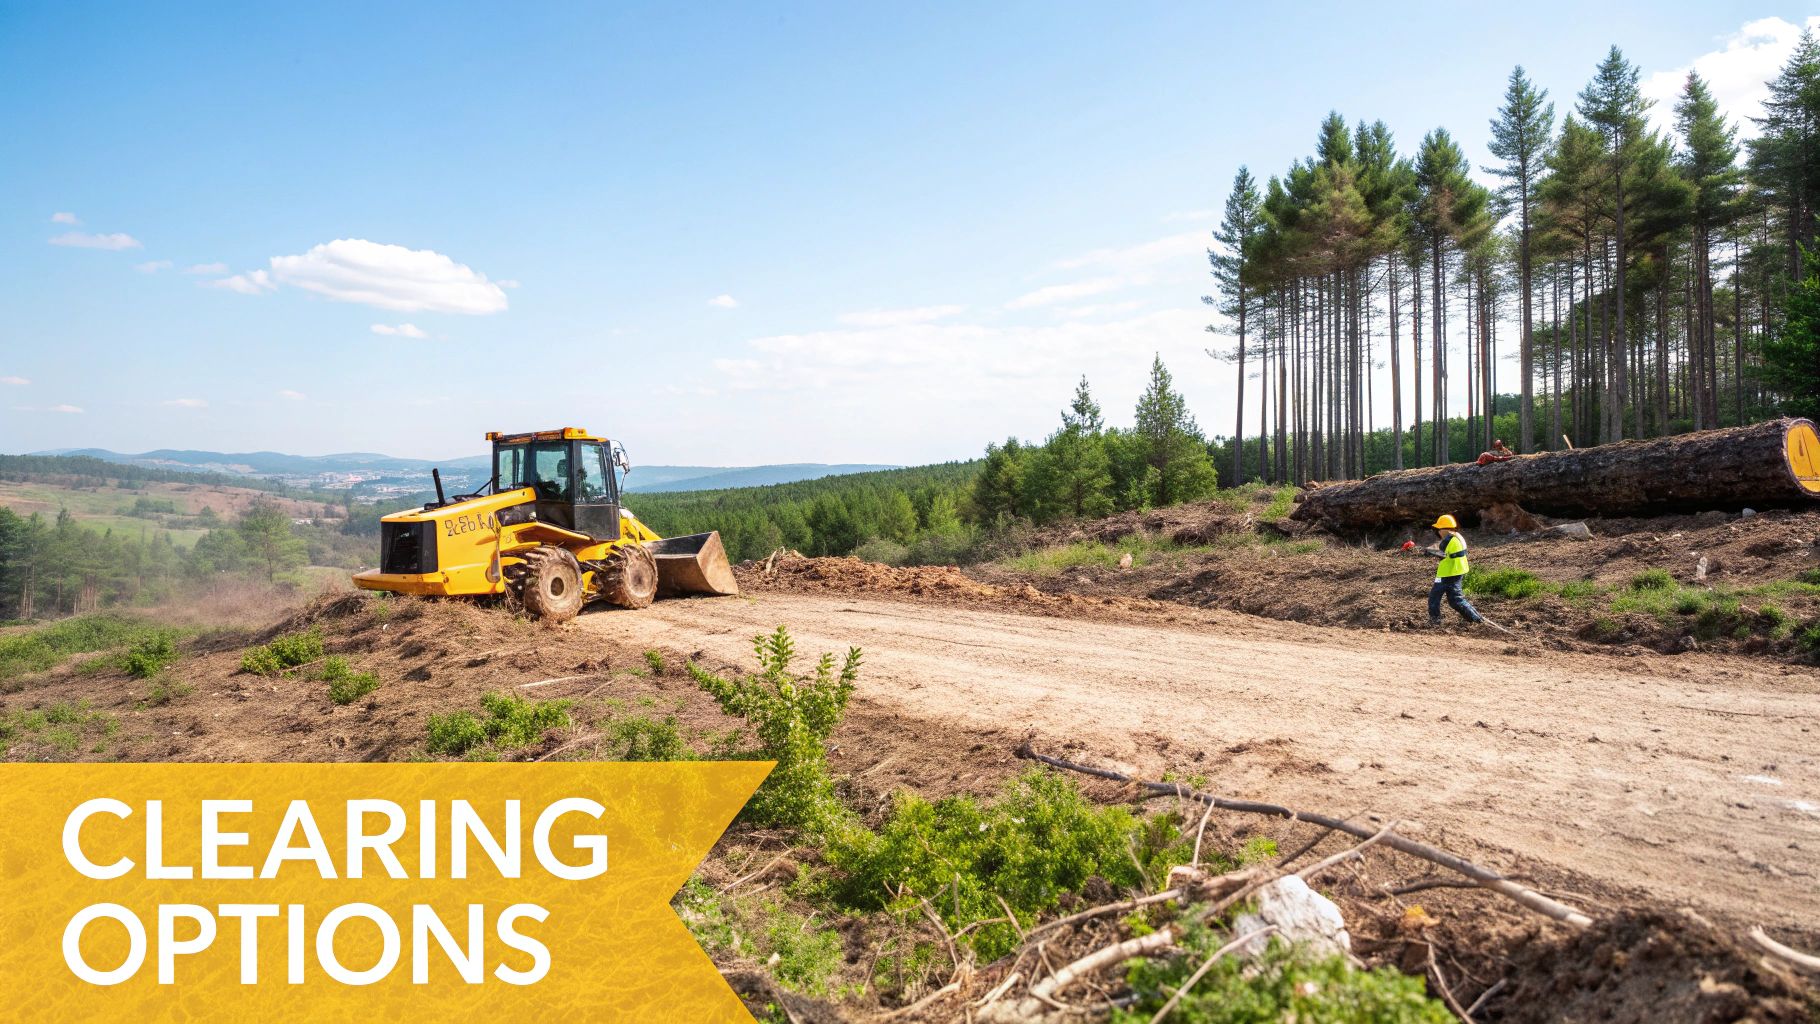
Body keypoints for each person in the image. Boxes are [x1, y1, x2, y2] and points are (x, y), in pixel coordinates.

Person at [1422, 514, 1482, 627]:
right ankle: (1476, 620)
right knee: (1455, 600)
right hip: (1456, 572)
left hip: (1447, 574)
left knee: (1434, 598)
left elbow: (1443, 554)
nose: (1438, 531)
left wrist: (1427, 551)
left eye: (1439, 529)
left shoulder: (1449, 540)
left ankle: (1435, 621)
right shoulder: (1457, 537)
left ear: (1444, 529)